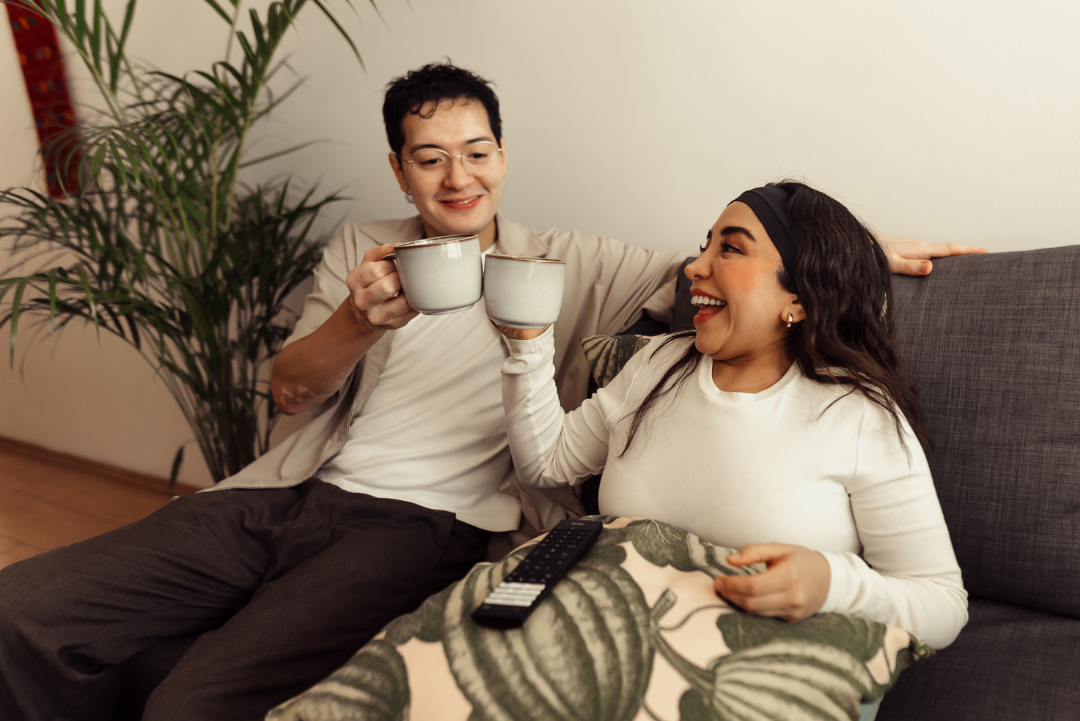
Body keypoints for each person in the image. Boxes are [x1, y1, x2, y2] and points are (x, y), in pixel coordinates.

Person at [0, 62, 978, 721]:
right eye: (430, 157)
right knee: (22, 608)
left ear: (503, 155)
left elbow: (729, 268)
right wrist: (358, 321)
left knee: (194, 697)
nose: (457, 175)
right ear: (401, 167)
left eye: (476, 151)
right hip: (286, 495)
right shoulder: (363, 251)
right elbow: (290, 390)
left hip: (431, 526)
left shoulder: (569, 261)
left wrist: (856, 247)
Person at [497, 181, 968, 654]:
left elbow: (942, 604)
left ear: (799, 299)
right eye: (705, 246)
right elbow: (546, 465)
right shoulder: (657, 363)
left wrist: (831, 583)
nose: (694, 267)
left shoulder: (857, 414)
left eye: (730, 249)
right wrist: (528, 343)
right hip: (605, 642)